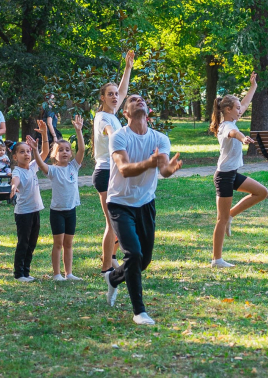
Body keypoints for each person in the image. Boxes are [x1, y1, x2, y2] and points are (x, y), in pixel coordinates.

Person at [104, 94, 183, 325]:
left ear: (148, 112)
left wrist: (170, 169)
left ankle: (113, 278)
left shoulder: (160, 139)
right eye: (133, 100)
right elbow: (125, 169)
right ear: (126, 113)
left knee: (143, 261)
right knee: (134, 254)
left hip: (146, 203)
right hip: (120, 203)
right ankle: (139, 311)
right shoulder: (119, 137)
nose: (139, 100)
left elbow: (164, 169)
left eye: (142, 100)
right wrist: (150, 163)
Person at [209, 81, 268, 268]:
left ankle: (231, 215)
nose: (240, 110)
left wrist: (253, 87)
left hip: (232, 174)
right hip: (224, 177)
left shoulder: (231, 119)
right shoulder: (226, 126)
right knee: (221, 219)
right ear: (227, 109)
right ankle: (216, 260)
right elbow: (234, 133)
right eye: (236, 108)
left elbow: (245, 102)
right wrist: (243, 138)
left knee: (261, 192)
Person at [94, 50, 135, 275]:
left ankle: (110, 257)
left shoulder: (113, 113)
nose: (114, 97)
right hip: (105, 172)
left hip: (114, 172)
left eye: (115, 95)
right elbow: (110, 132)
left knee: (120, 219)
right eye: (109, 94)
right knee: (112, 222)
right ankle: (106, 267)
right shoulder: (102, 117)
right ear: (102, 98)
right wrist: (118, 138)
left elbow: (123, 90)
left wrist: (128, 67)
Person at [41, 114, 85, 281]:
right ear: (54, 154)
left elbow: (81, 149)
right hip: (57, 212)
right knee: (58, 244)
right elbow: (40, 163)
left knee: (69, 244)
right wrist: (39, 148)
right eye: (61, 150)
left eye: (67, 150)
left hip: (71, 211)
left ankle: (69, 273)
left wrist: (78, 131)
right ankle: (57, 274)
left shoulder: (74, 167)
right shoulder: (53, 170)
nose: (65, 152)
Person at [9, 137, 45, 282]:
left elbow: (45, 153)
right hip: (23, 213)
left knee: (32, 243)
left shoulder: (33, 166)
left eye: (28, 151)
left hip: (35, 211)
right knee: (23, 243)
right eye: (22, 152)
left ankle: (26, 271)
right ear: (15, 157)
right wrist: (13, 186)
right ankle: (19, 274)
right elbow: (15, 180)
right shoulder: (17, 171)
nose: (26, 154)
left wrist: (42, 136)